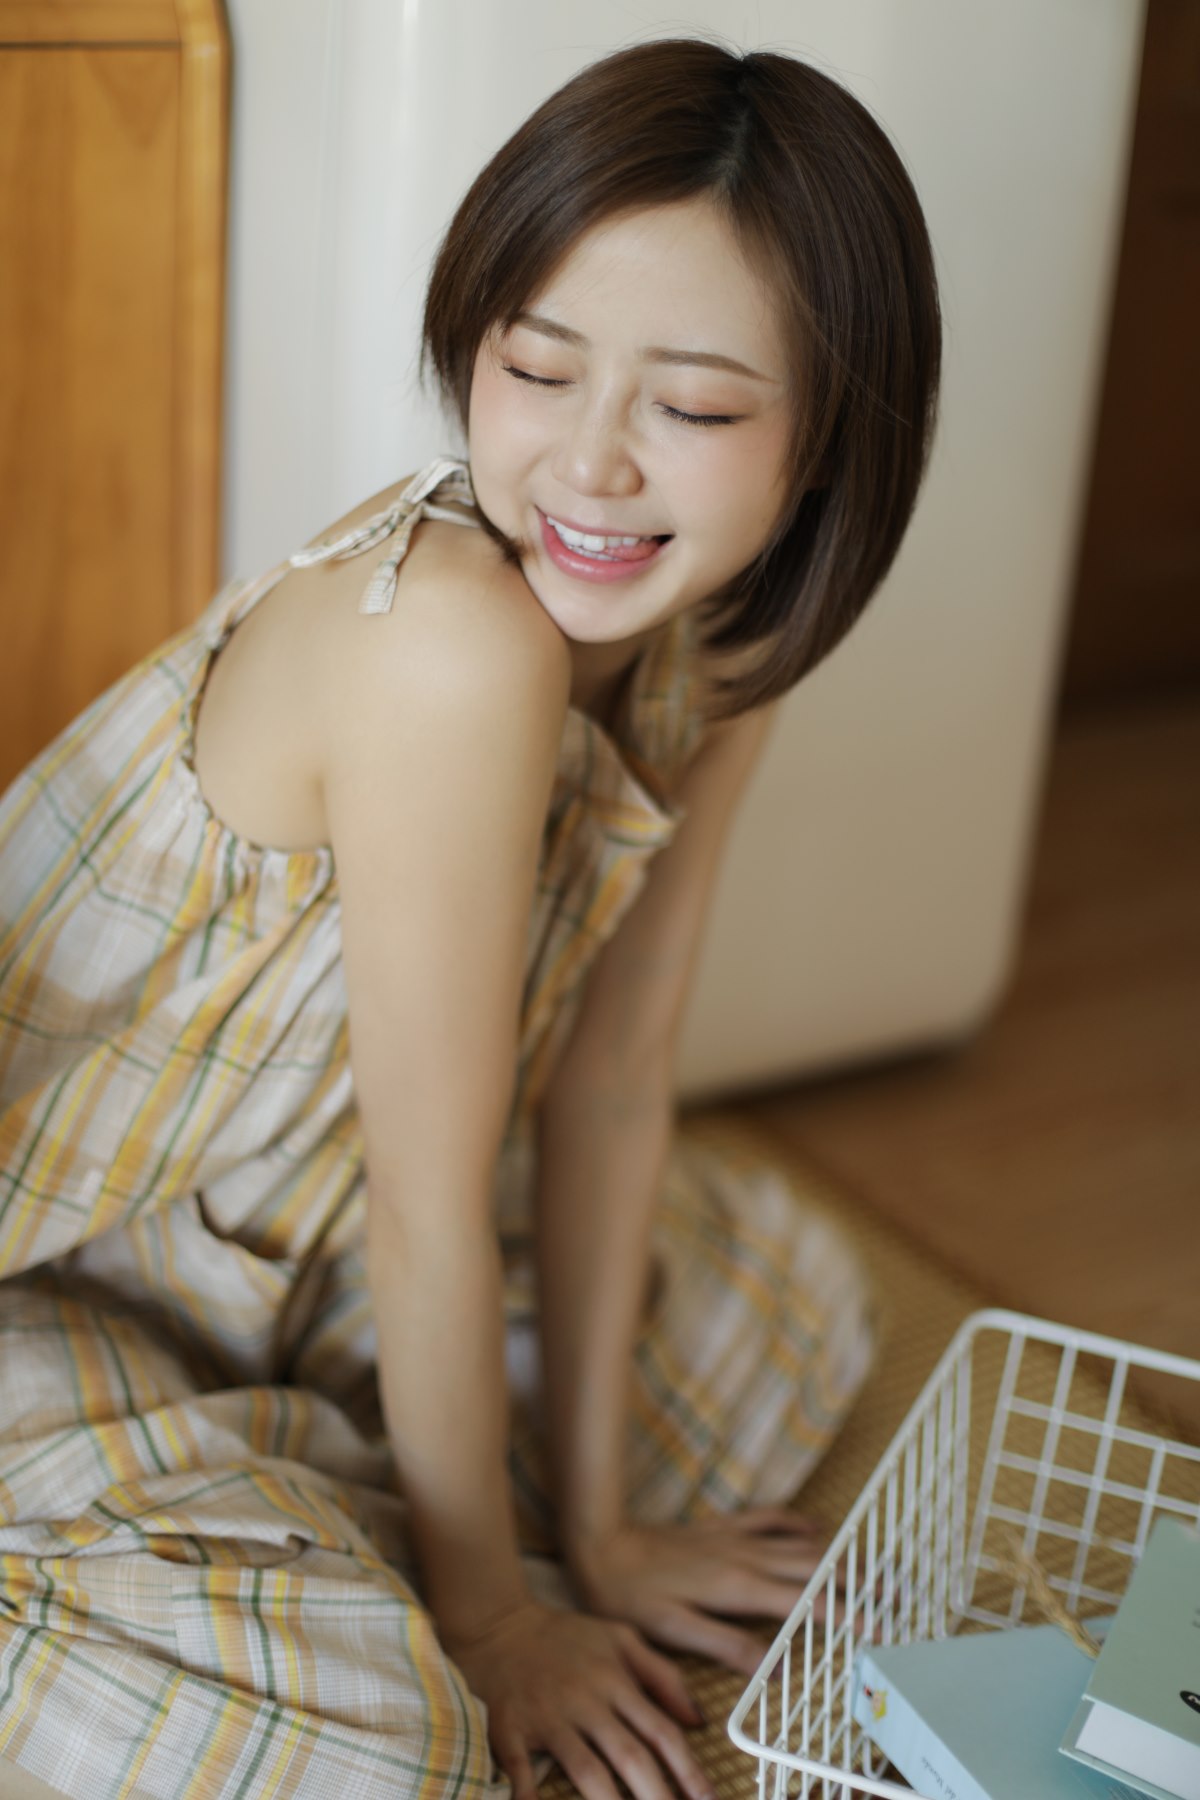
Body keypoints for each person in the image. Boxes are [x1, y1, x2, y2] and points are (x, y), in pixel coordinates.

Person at [0, 34, 941, 1800]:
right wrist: (499, 1621)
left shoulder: (722, 647)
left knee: (780, 1289)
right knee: (397, 1738)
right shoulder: (451, 643)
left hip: (288, 1252)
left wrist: (603, 1537)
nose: (588, 467)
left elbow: (612, 1081)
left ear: (821, 443)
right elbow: (429, 1203)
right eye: (536, 367)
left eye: (694, 410)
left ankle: (322, 1490)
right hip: (63, 1265)